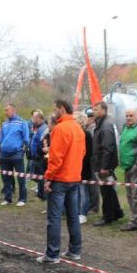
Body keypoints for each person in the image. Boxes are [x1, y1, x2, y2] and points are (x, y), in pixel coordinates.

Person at [37, 99, 86, 264]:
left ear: (62, 109)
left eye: (55, 109)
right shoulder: (78, 128)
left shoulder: (60, 128)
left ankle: (52, 254)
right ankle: (75, 250)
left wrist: (48, 177)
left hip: (60, 179)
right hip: (74, 178)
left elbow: (55, 157)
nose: (53, 112)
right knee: (73, 216)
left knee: (54, 218)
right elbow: (82, 152)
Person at [91, 101, 123, 226]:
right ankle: (117, 212)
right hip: (102, 163)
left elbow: (107, 148)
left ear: (103, 110)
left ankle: (107, 216)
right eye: (93, 109)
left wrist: (104, 167)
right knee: (109, 189)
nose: (94, 112)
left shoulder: (106, 125)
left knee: (106, 191)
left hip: (104, 165)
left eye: (96, 109)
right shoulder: (101, 124)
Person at [119, 108, 137, 231]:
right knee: (130, 194)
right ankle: (134, 218)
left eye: (131, 115)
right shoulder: (126, 127)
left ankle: (135, 221)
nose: (128, 118)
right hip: (126, 166)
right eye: (127, 115)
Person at [0, 103, 30, 206]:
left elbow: (26, 139)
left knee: (21, 178)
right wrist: (0, 147)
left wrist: (22, 150)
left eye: (7, 110)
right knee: (6, 177)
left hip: (17, 154)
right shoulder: (4, 124)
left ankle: (22, 199)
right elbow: (1, 139)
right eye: (5, 110)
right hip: (4, 154)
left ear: (13, 110)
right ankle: (8, 198)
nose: (5, 112)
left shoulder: (22, 122)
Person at [74, 111, 93, 224]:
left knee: (83, 191)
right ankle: (76, 212)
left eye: (75, 119)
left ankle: (83, 213)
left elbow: (88, 153)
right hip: (74, 168)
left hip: (83, 168)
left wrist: (80, 165)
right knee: (76, 191)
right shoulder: (74, 133)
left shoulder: (87, 135)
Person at [28, 110, 48, 200]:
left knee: (41, 176)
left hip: (40, 157)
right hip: (36, 157)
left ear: (39, 118)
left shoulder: (43, 128)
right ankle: (41, 193)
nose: (33, 120)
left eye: (34, 118)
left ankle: (43, 195)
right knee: (38, 176)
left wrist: (39, 154)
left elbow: (43, 143)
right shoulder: (38, 128)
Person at [83, 106, 100, 215]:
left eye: (88, 117)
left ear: (92, 118)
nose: (87, 120)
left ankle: (94, 207)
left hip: (93, 160)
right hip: (89, 160)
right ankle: (90, 204)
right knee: (89, 184)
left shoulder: (93, 129)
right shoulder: (88, 129)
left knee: (93, 184)